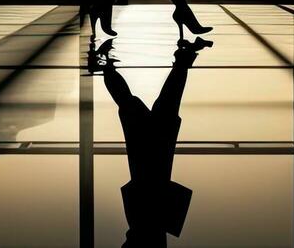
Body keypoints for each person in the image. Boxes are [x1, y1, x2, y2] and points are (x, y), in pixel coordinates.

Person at [90, 36, 212, 247]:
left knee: (157, 106)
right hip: (148, 181)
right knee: (143, 106)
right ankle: (106, 65)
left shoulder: (150, 230)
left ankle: (182, 58)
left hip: (154, 179)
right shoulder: (143, 226)